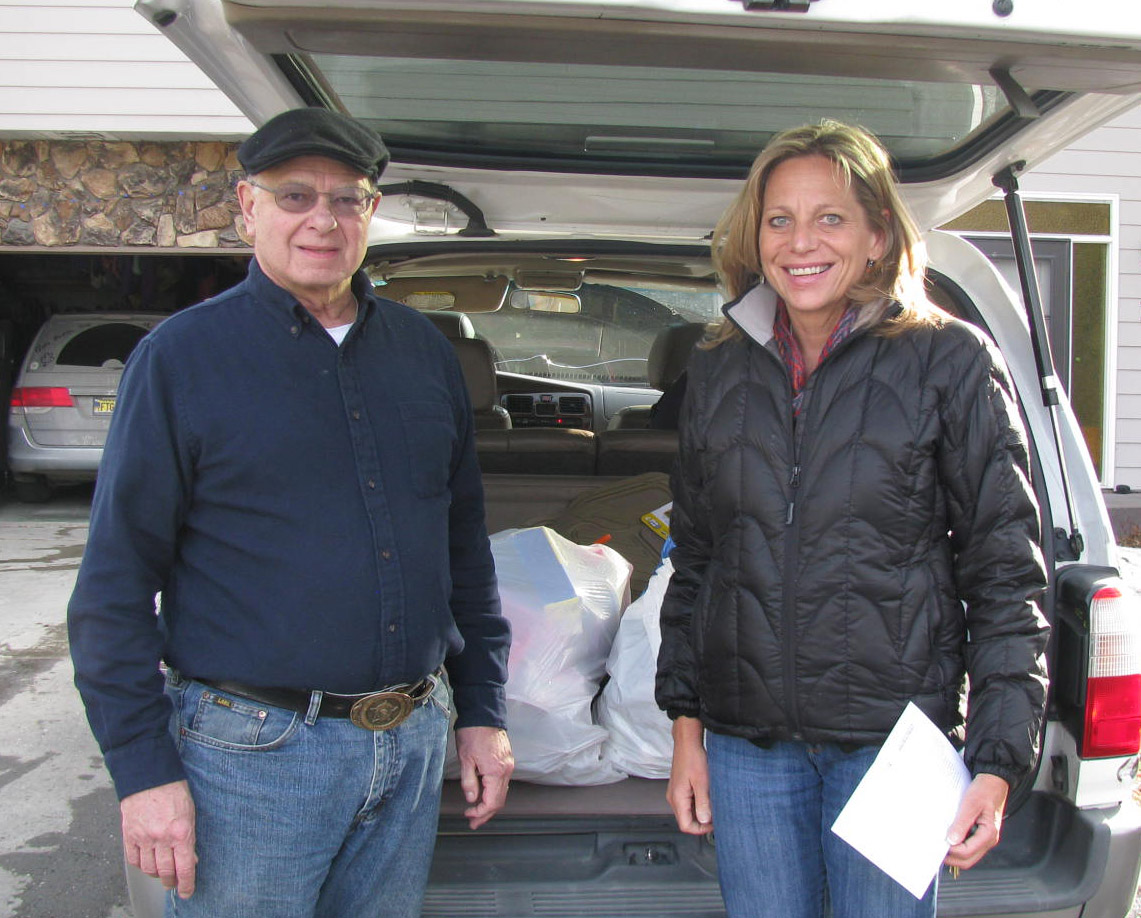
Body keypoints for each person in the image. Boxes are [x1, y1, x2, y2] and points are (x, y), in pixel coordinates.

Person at [68, 107, 514, 917]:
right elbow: (113, 586)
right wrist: (144, 772)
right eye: (295, 195)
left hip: (411, 744)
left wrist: (481, 712)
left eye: (347, 198)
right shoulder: (179, 361)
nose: (323, 219)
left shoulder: (423, 355)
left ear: (371, 213)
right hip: (251, 758)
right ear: (248, 207)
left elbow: (463, 556)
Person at [654, 120, 1049, 918]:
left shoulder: (950, 362)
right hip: (746, 747)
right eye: (779, 219)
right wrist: (687, 733)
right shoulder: (718, 368)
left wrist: (998, 761)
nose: (801, 241)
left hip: (893, 748)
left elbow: (1005, 573)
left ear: (876, 236)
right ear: (753, 236)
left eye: (829, 217)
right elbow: (696, 562)